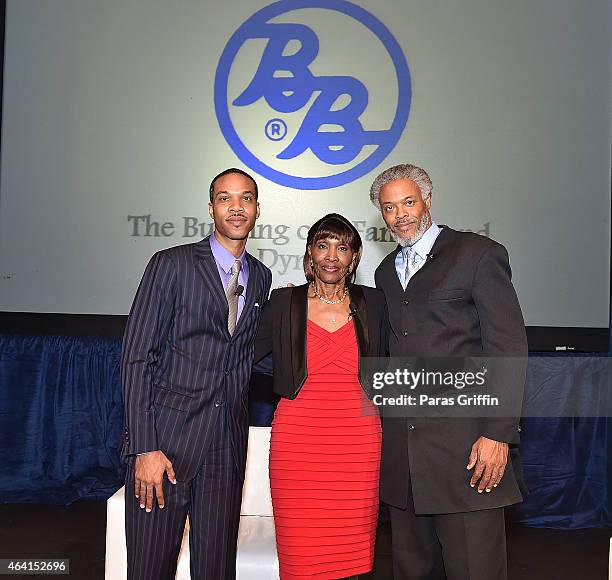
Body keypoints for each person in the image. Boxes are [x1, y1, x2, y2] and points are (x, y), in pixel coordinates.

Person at [370, 164, 528, 580]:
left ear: (427, 199)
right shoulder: (386, 272)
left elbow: (507, 346)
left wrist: (498, 434)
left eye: (408, 201)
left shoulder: (477, 254)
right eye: (389, 208)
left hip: (467, 455)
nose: (400, 214)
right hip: (404, 465)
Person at [120, 168, 272, 580]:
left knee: (216, 568)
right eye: (225, 198)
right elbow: (137, 358)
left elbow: (243, 356)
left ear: (257, 208)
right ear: (210, 208)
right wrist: (144, 448)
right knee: (150, 568)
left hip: (226, 448)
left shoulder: (261, 277)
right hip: (165, 448)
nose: (236, 207)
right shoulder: (171, 265)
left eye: (245, 198)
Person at [254, 213, 388, 579]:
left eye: (342, 247)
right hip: (298, 442)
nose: (332, 256)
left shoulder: (375, 304)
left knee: (353, 556)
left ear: (354, 257)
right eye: (323, 246)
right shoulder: (284, 303)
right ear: (310, 254)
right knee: (302, 556)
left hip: (358, 443)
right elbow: (242, 357)